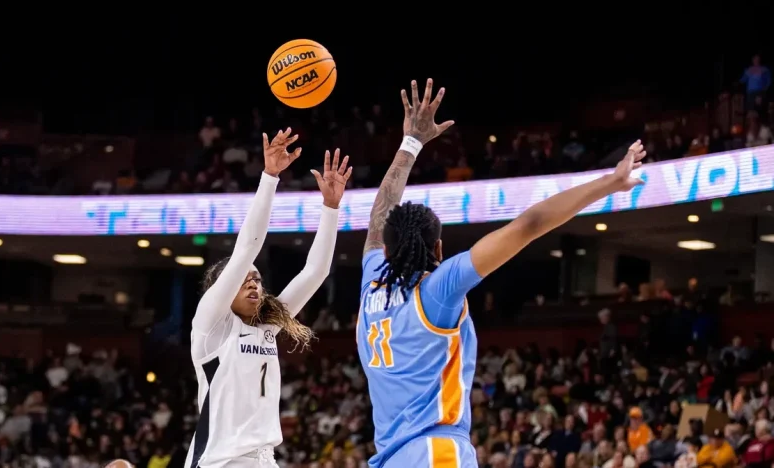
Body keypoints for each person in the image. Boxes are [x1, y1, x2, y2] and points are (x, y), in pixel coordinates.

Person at [357, 78, 647, 467]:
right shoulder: (438, 290)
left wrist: (410, 143)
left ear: (386, 250)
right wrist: (609, 182)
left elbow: (381, 212)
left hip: (387, 458)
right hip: (435, 452)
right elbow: (527, 225)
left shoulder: (371, 278)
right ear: (439, 249)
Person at [185, 129, 352, 468]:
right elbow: (248, 247)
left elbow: (316, 272)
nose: (253, 283)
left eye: (258, 279)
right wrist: (270, 177)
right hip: (221, 462)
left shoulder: (267, 327)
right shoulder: (210, 327)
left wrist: (331, 209)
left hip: (264, 460)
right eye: (244, 277)